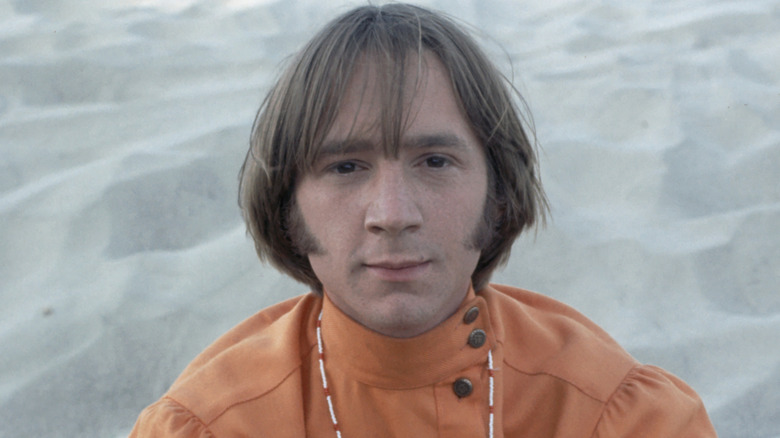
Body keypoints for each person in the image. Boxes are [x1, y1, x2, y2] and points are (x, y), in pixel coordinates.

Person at [130, 3, 717, 437]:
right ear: (287, 209)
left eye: (435, 161)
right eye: (345, 167)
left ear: (500, 196)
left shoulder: (619, 417)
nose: (392, 215)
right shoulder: (210, 426)